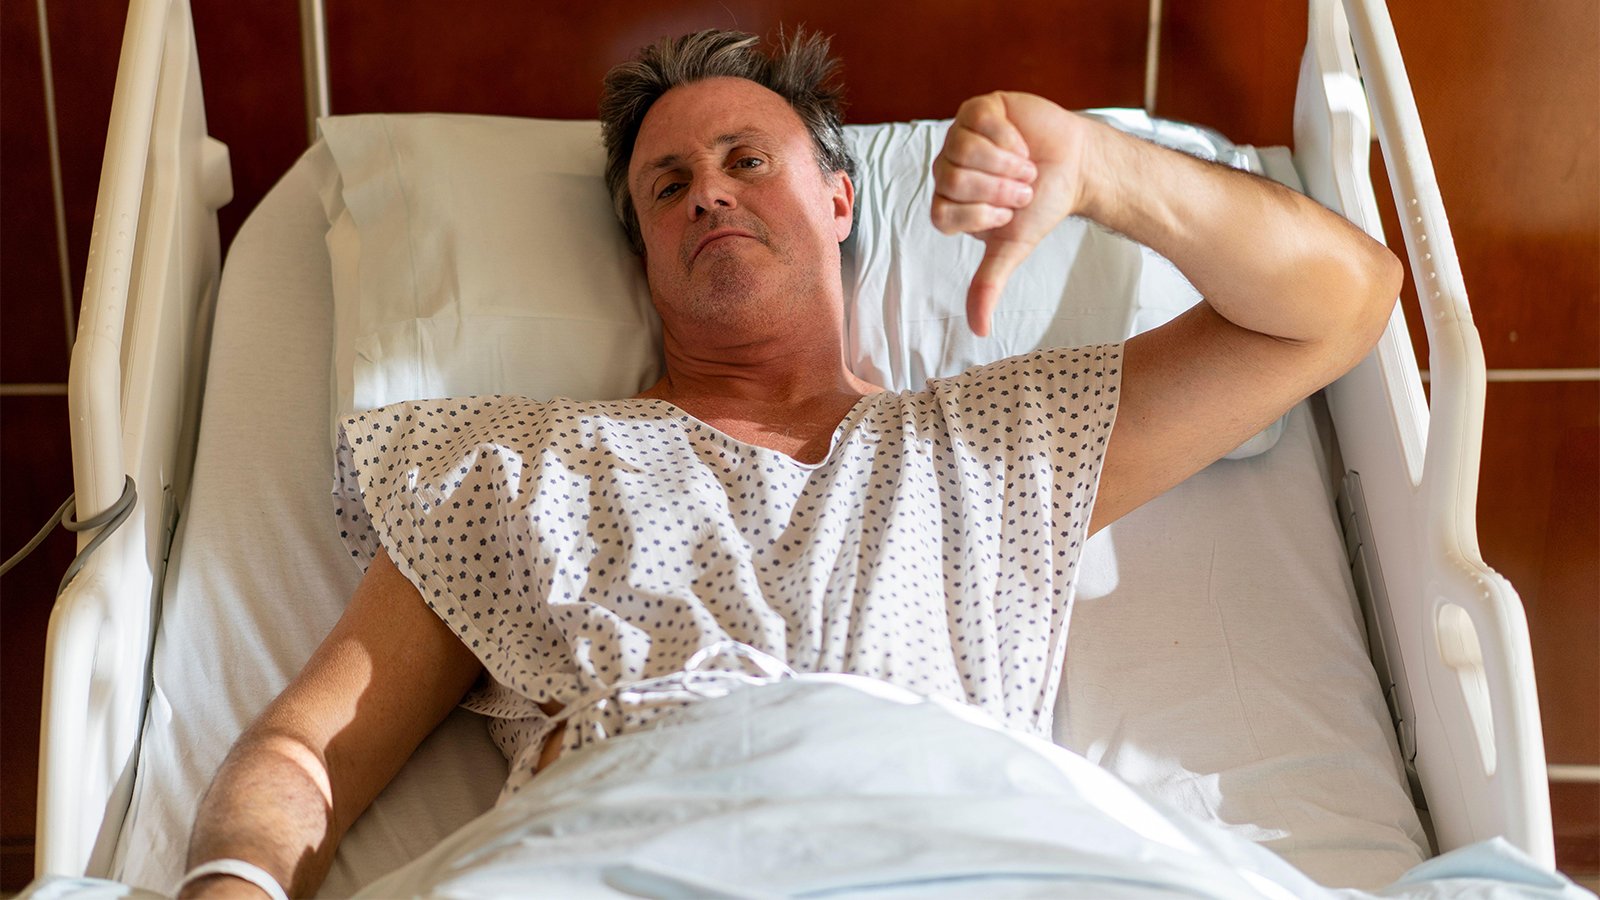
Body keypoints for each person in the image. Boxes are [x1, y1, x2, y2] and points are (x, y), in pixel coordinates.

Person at [178, 28, 1399, 899]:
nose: (708, 195)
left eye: (746, 160)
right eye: (668, 185)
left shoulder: (994, 442)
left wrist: (1104, 169)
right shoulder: (510, 468)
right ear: (643, 252)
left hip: (951, 840)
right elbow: (304, 754)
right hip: (623, 836)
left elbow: (1340, 305)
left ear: (840, 201)